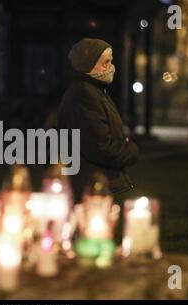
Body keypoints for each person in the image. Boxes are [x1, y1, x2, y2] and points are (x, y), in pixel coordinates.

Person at [57, 38, 139, 202]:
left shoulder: (94, 90)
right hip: (90, 185)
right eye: (106, 62)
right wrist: (131, 150)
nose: (111, 67)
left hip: (94, 182)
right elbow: (100, 146)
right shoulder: (85, 94)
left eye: (111, 61)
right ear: (89, 64)